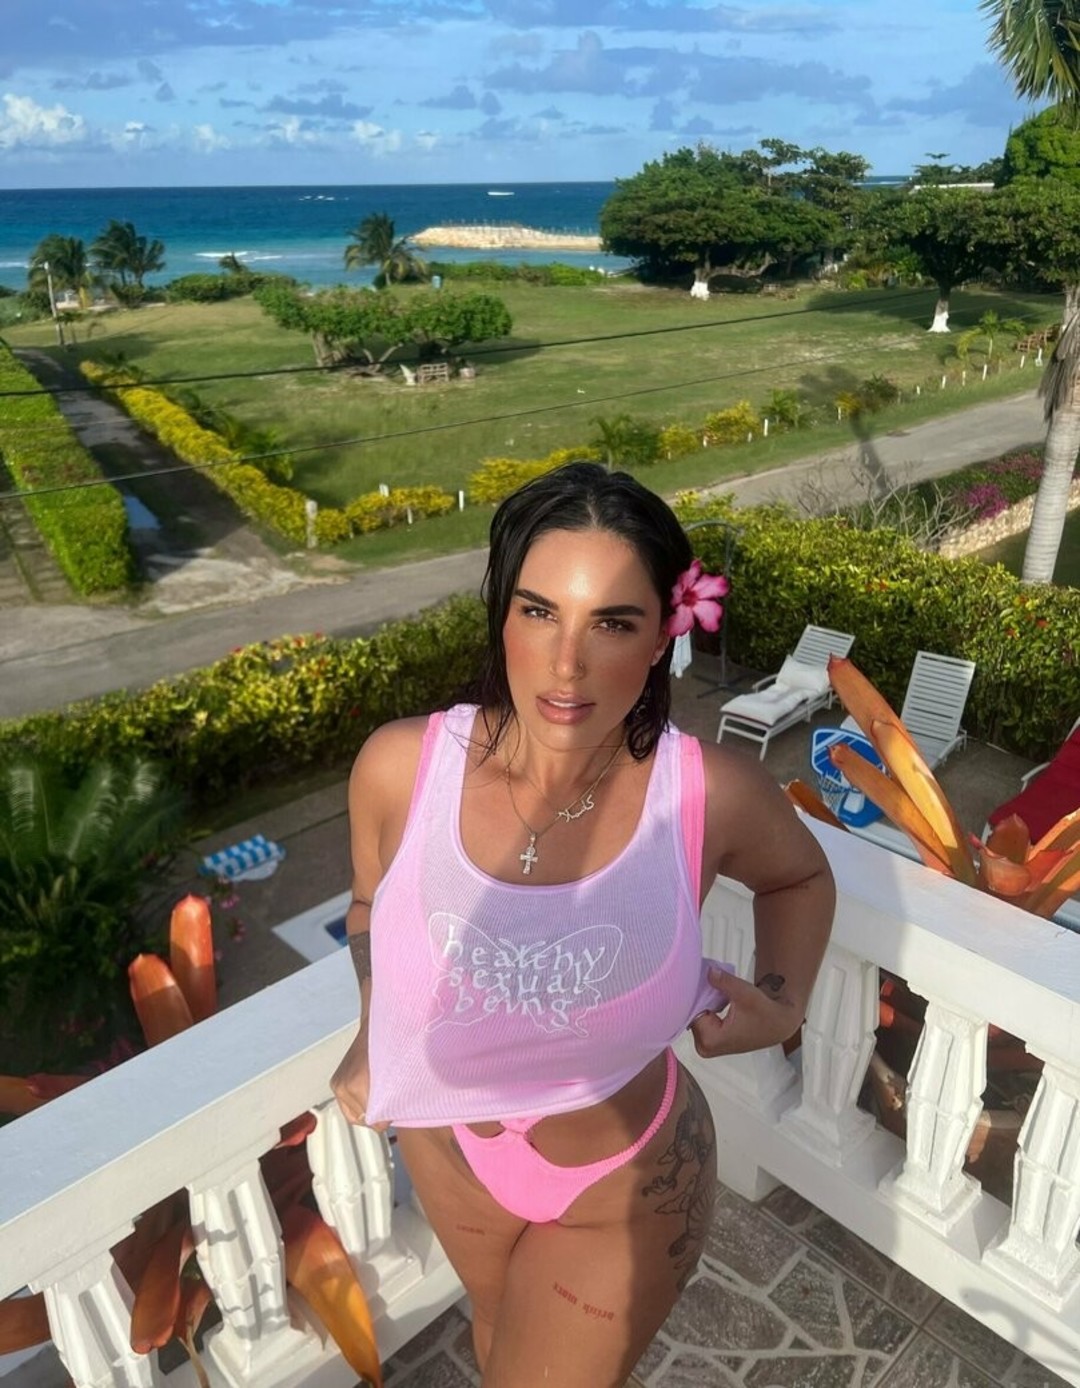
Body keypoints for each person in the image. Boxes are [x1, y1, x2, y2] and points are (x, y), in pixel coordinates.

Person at [331, 462, 834, 1388]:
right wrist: (376, 1029)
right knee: (496, 1341)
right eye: (539, 612)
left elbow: (800, 876)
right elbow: (369, 907)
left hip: (623, 1186)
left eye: (612, 622)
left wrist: (782, 1000)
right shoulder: (399, 769)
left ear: (662, 637)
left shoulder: (706, 795)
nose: (567, 663)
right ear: (502, 615)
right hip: (447, 1152)